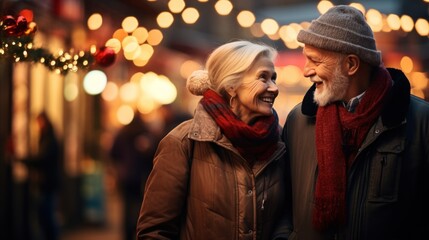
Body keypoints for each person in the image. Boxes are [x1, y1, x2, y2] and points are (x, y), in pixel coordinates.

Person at [282, 5, 429, 240]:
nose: (306, 71)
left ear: (351, 65)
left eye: (315, 61)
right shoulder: (298, 120)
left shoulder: (420, 121)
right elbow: (282, 206)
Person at [136, 40, 292, 239]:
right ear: (231, 86)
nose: (274, 88)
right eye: (263, 78)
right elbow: (154, 231)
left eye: (274, 78)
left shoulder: (278, 142)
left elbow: (285, 216)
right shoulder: (184, 142)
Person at [109, 112, 156, 240]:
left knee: (126, 206)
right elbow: (153, 155)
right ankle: (138, 232)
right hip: (142, 177)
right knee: (141, 207)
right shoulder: (146, 133)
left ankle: (126, 234)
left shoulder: (122, 133)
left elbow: (113, 153)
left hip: (125, 176)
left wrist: (120, 166)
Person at [23, 111, 61, 240]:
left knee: (47, 215)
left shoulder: (49, 139)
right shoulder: (48, 138)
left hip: (47, 183)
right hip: (46, 182)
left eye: (39, 122)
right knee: (45, 215)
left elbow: (43, 159)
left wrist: (24, 160)